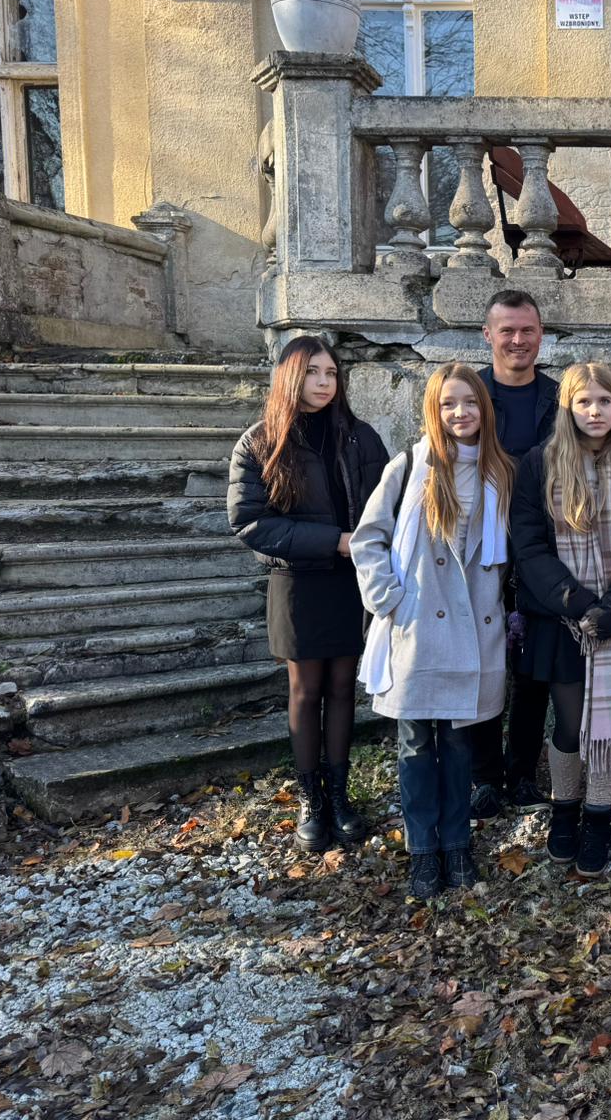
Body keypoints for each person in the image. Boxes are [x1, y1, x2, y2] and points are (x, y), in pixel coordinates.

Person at [352, 363, 514, 899]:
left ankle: (458, 843)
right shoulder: (409, 466)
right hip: (419, 626)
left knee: (461, 742)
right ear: (434, 409)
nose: (460, 412)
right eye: (448, 403)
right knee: (416, 743)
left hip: (476, 625)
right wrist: (390, 600)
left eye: (469, 402)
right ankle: (423, 849)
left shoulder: (499, 471)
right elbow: (368, 538)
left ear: (483, 408)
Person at [228, 336, 388, 854]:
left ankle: (339, 796)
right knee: (305, 690)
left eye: (331, 373)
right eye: (313, 372)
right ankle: (310, 800)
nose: (323, 383)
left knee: (342, 687)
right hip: (298, 581)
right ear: (289, 377)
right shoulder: (260, 442)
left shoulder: (360, 436)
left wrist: (369, 546)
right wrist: (334, 540)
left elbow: (388, 504)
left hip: (351, 581)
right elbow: (249, 522)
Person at [511, 363, 611, 877]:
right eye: (584, 402)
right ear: (568, 408)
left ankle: (598, 818)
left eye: (605, 401)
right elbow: (529, 547)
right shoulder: (538, 465)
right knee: (570, 727)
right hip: (564, 623)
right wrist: (578, 604)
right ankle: (565, 810)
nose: (595, 411)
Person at [471, 289, 560, 819]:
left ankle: (523, 772)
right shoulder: (470, 395)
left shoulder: (559, 398)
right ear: (488, 335)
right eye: (507, 330)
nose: (518, 340)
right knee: (483, 662)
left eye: (527, 330)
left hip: (540, 550)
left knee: (532, 670)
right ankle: (483, 777)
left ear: (540, 335)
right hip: (481, 549)